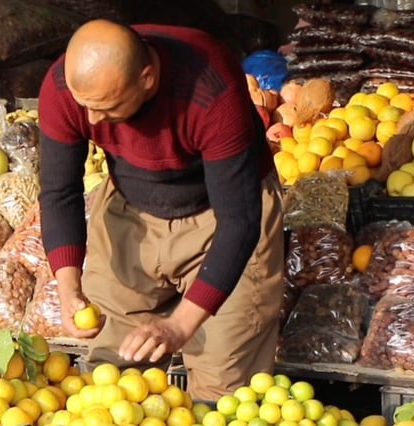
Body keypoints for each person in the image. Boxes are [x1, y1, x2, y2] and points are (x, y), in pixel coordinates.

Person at [38, 19, 284, 401]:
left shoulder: (210, 88)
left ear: (147, 79)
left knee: (225, 390)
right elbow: (58, 191)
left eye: (107, 107)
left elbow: (239, 222)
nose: (92, 120)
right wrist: (68, 286)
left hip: (221, 215)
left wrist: (179, 326)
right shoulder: (66, 87)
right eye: (84, 106)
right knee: (112, 380)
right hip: (131, 208)